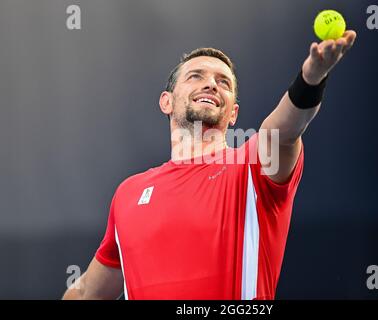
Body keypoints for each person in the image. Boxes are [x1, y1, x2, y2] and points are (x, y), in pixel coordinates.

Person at [62, 31, 357, 300]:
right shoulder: (129, 193)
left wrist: (311, 79)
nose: (211, 84)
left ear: (233, 114)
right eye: (196, 76)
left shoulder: (252, 167)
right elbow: (88, 292)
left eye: (223, 82)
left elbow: (284, 130)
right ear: (166, 102)